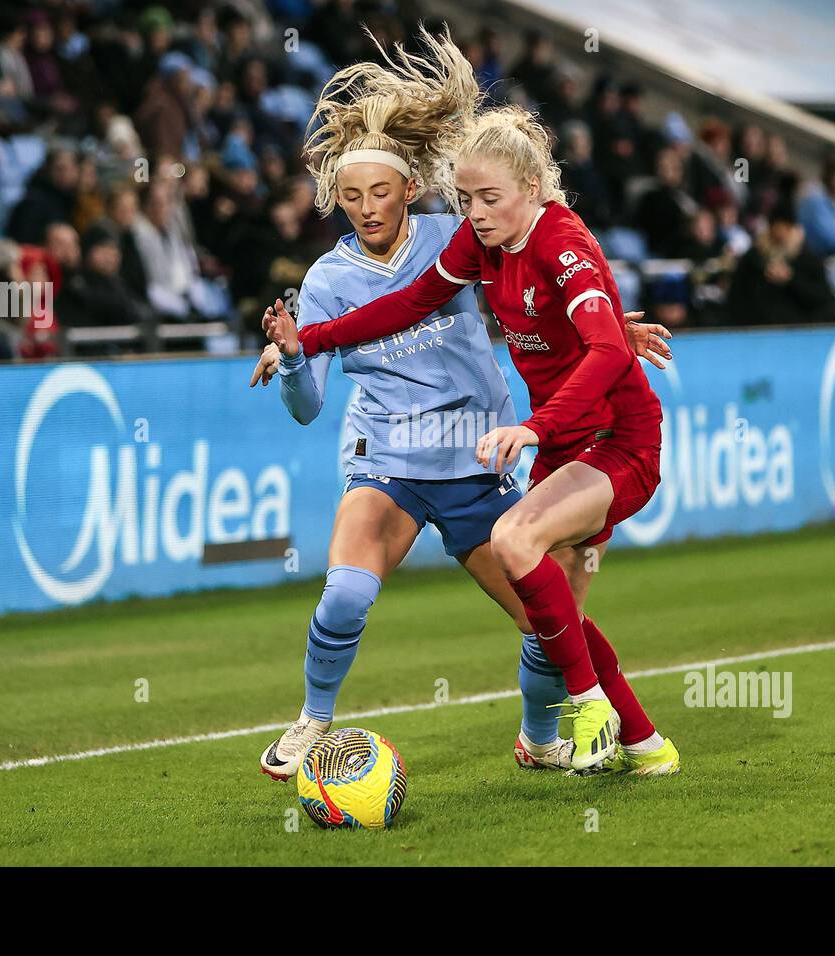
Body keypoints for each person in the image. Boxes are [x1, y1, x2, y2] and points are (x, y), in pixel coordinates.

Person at [251, 27, 674, 780]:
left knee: (549, 623)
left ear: (408, 189)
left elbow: (557, 287)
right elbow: (331, 382)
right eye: (351, 197)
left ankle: (546, 734)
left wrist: (609, 324)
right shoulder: (332, 276)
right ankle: (315, 719)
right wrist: (300, 349)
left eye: (380, 191)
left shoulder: (468, 230)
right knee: (346, 592)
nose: (367, 206)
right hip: (389, 462)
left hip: (482, 458)